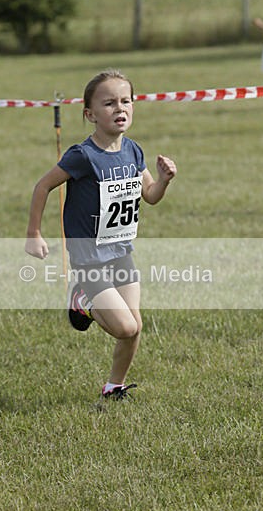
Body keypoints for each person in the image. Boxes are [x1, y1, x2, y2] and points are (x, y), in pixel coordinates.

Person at [25, 69, 177, 404]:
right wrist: (33, 233)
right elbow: (43, 186)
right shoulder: (83, 156)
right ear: (90, 115)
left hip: (121, 252)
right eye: (109, 103)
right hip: (89, 257)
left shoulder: (133, 151)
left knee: (135, 327)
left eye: (125, 101)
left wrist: (164, 180)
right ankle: (82, 299)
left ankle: (113, 387)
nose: (119, 108)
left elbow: (149, 195)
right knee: (123, 328)